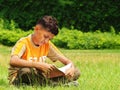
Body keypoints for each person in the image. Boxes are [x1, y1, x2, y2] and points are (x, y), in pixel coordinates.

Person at [8, 15, 80, 86]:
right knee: (26, 71)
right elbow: (13, 61)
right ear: (37, 29)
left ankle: (48, 84)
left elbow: (67, 61)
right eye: (45, 37)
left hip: (40, 76)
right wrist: (38, 65)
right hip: (20, 77)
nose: (46, 41)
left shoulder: (47, 44)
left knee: (76, 72)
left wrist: (72, 68)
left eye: (49, 39)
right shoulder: (23, 42)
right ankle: (56, 84)